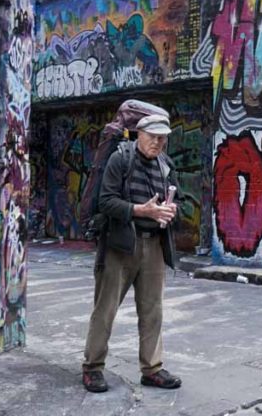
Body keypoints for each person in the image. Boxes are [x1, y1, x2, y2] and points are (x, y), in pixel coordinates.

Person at [81, 113, 182, 393]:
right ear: (140, 134)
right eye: (153, 137)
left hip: (154, 245)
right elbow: (106, 202)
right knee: (105, 309)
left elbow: (180, 202)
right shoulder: (120, 159)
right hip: (120, 245)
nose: (158, 142)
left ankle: (152, 369)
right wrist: (141, 210)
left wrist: (171, 211)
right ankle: (93, 367)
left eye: (163, 138)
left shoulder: (165, 165)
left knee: (153, 311)